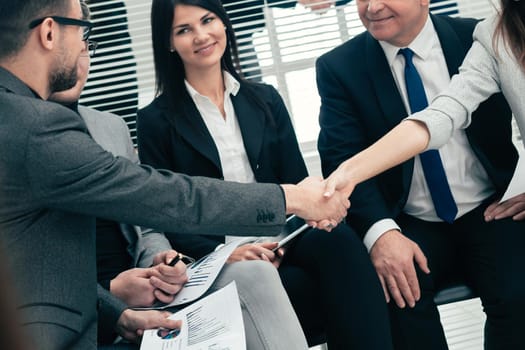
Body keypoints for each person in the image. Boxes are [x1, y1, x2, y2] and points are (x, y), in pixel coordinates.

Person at [0, 0, 349, 348]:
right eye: (81, 31)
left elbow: (34, 261)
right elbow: (166, 197)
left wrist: (117, 314)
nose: (83, 47)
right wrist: (292, 197)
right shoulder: (33, 125)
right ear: (49, 32)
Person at [137, 0, 393, 349]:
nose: (201, 36)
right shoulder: (156, 121)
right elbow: (168, 213)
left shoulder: (264, 99)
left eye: (207, 20)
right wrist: (225, 256)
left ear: (224, 23)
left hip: (284, 243)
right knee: (310, 288)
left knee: (341, 242)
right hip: (220, 261)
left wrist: (284, 240)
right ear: (168, 42)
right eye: (184, 30)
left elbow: (298, 189)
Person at [49, 40, 311, 349]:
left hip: (151, 291)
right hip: (88, 309)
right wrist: (112, 292)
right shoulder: (24, 136)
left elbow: (146, 225)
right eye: (70, 47)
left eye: (85, 47)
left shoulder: (111, 127)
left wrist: (162, 261)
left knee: (255, 274)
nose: (80, 61)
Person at [319, 0, 525, 349]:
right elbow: (441, 116)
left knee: (518, 293)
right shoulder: (494, 35)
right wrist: (372, 218)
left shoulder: (467, 35)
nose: (372, 6)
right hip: (411, 220)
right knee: (396, 292)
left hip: (491, 207)